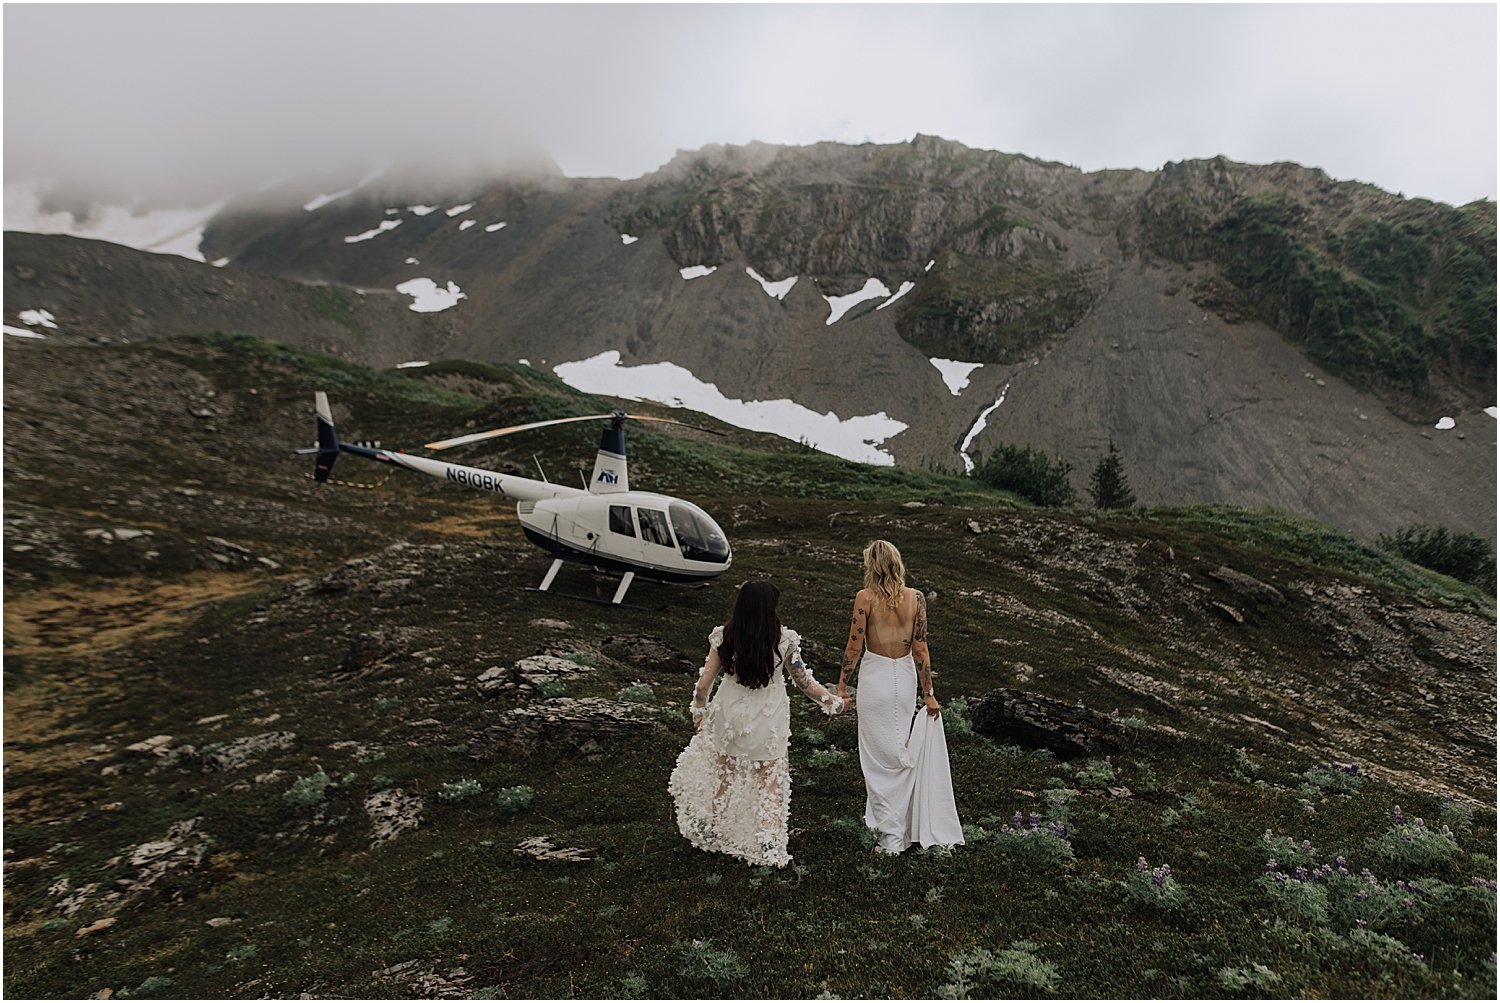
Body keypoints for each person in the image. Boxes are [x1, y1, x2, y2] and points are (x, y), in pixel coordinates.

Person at [668, 580, 847, 867]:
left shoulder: (724, 636)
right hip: (767, 717)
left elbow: (703, 686)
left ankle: (717, 830)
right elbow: (804, 683)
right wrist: (835, 703)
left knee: (724, 774)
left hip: (729, 714)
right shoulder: (784, 640)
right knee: (769, 779)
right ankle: (768, 842)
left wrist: (699, 715)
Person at [838, 539, 964, 854]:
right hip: (904, 679)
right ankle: (898, 828)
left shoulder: (864, 598)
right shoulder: (915, 599)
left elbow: (854, 647)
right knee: (896, 750)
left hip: (876, 679)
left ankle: (891, 837)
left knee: (877, 758)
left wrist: (841, 686)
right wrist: (929, 694)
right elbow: (920, 648)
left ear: (872, 566)